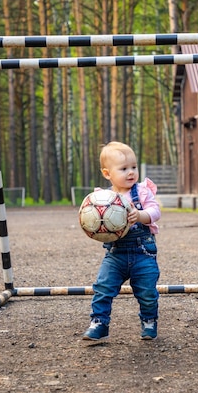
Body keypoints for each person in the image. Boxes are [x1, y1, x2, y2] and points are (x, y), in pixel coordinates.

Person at [82, 141, 161, 341]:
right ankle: (99, 323)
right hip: (115, 254)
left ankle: (149, 321)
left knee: (147, 292)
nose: (131, 173)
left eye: (133, 167)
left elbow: (155, 211)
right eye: (124, 169)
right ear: (107, 173)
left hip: (142, 251)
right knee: (103, 288)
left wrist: (142, 215)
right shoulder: (102, 199)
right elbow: (92, 221)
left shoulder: (142, 191)